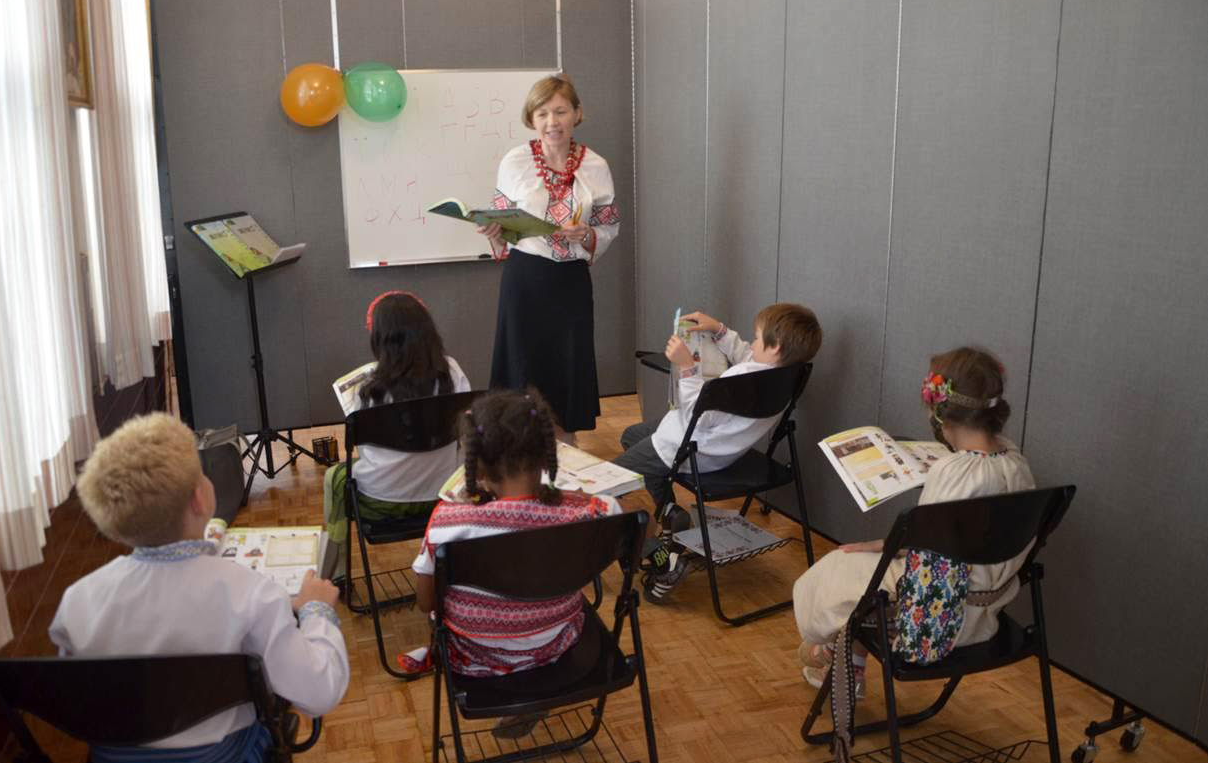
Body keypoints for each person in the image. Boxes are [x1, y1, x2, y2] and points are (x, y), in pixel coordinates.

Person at [49, 413, 349, 759]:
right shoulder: (249, 593)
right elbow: (318, 692)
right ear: (199, 499)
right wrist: (316, 611)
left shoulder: (78, 600)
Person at [792, 347, 1034, 712]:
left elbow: (925, 559)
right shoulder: (1016, 463)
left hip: (939, 616)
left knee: (839, 567)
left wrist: (886, 547)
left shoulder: (952, 473)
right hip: (988, 611)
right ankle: (846, 658)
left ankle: (835, 656)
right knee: (869, 571)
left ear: (939, 413)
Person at [400, 390, 620, 733]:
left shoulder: (448, 523)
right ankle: (532, 700)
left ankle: (449, 660)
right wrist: (585, 498)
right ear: (549, 456)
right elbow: (642, 523)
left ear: (479, 470)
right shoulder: (588, 512)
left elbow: (426, 602)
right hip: (559, 644)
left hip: (476, 658)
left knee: (440, 613)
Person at [612, 303, 823, 602]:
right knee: (631, 435)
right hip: (721, 449)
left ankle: (662, 562)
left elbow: (699, 411)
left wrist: (687, 367)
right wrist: (719, 330)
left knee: (609, 487)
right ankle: (671, 513)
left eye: (757, 338)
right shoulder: (782, 374)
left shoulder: (739, 382)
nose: (751, 343)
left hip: (684, 447)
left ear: (775, 348)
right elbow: (749, 357)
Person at [479, 74, 621, 444]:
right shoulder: (515, 161)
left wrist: (587, 235)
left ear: (577, 113)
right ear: (532, 118)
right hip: (525, 279)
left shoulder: (596, 166)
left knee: (566, 369)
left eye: (560, 111)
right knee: (521, 368)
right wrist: (496, 232)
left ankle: (565, 456)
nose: (551, 121)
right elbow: (502, 221)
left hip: (570, 282)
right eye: (542, 113)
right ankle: (518, 454)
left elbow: (608, 227)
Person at [321, 291, 470, 578]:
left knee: (334, 478)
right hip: (443, 496)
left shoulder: (370, 391)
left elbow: (365, 453)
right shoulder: (452, 372)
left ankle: (336, 573)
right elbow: (465, 434)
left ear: (381, 339)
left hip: (381, 503)